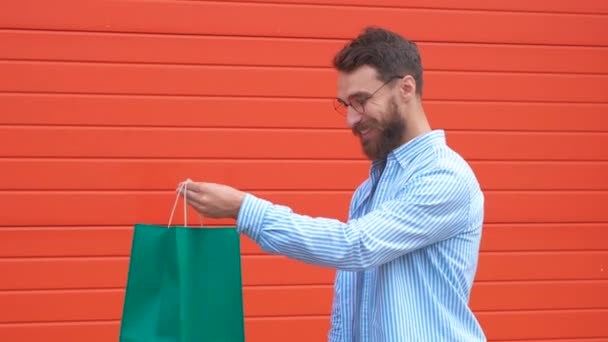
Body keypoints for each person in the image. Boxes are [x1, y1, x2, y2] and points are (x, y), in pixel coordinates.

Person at [178, 26, 486, 341]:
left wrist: (243, 208)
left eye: (361, 100)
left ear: (405, 88)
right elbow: (348, 303)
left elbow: (355, 246)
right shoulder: (367, 192)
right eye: (345, 104)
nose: (351, 119)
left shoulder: (445, 177)